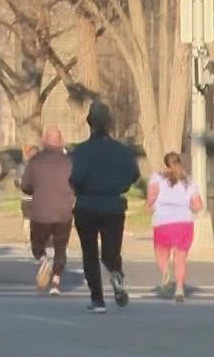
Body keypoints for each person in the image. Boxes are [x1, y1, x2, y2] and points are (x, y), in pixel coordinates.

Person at [69, 101, 140, 314]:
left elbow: (76, 177)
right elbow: (134, 174)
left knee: (89, 253)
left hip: (87, 204)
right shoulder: (121, 151)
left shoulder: (81, 151)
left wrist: (79, 187)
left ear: (89, 123)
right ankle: (115, 272)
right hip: (113, 205)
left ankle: (97, 299)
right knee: (111, 250)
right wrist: (120, 185)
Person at [20, 125, 74, 296]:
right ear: (62, 140)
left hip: (41, 212)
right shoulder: (70, 161)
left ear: (44, 140)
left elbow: (26, 186)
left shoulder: (35, 161)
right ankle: (56, 282)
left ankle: (43, 259)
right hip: (63, 211)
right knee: (60, 246)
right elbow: (78, 183)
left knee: (37, 244)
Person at [146, 152, 203, 303]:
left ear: (165, 164)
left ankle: (165, 271)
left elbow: (152, 196)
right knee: (180, 259)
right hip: (184, 223)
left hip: (163, 221)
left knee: (161, 252)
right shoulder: (189, 180)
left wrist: (149, 206)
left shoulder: (157, 177)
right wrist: (189, 206)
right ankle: (179, 289)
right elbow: (198, 205)